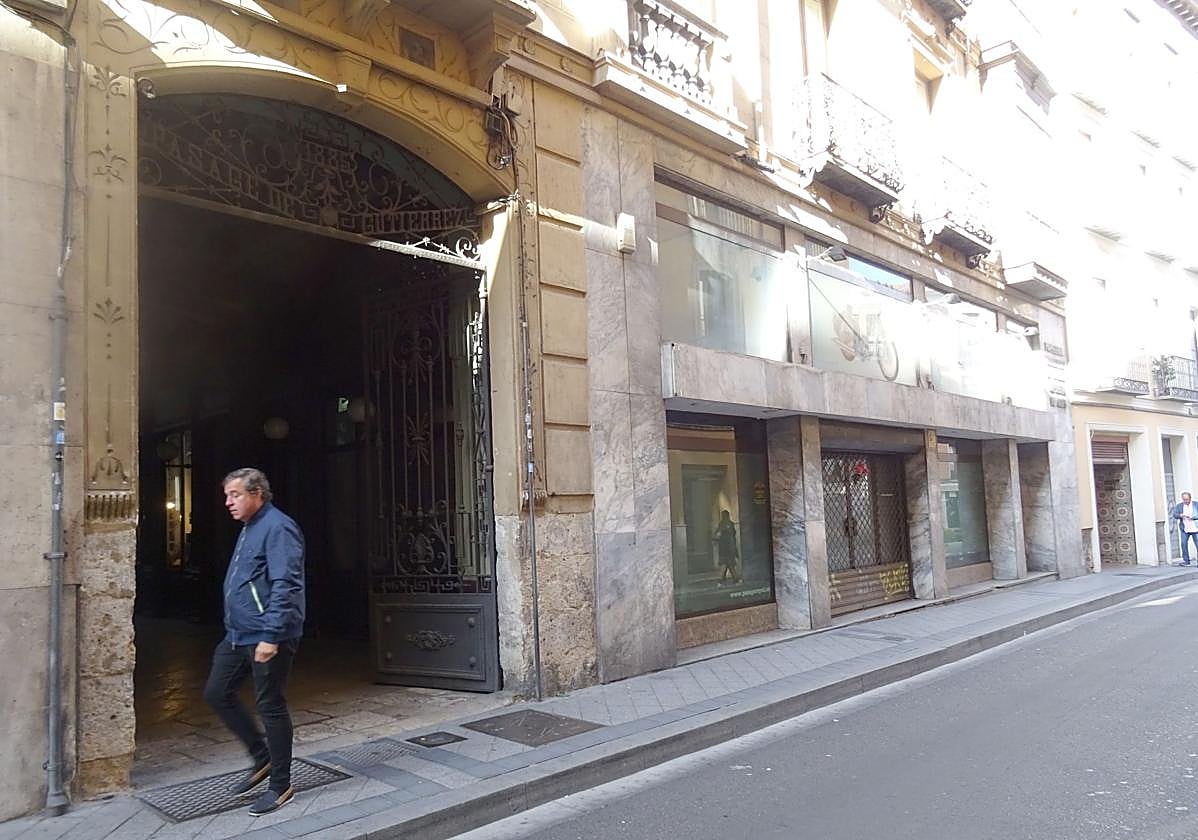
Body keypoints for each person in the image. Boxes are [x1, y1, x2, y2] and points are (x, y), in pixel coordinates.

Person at [202, 468, 306, 816]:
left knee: (270, 705)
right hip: (238, 633)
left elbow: (286, 584)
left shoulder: (278, 527)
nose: (228, 502)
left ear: (257, 493)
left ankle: (281, 784)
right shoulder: (249, 527)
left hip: (267, 634)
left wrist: (271, 636)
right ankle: (261, 756)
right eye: (227, 495)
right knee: (217, 692)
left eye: (235, 495)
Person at [713, 509, 740, 583]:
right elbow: (733, 536)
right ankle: (733, 578)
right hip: (728, 547)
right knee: (729, 564)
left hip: (725, 547)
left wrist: (716, 539)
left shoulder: (722, 524)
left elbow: (717, 534)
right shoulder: (729, 524)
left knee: (726, 564)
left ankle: (723, 579)